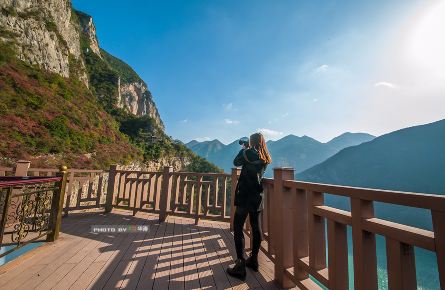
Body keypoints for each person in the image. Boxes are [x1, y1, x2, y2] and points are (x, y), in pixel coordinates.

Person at [226, 132, 272, 280]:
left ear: (251, 141)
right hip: (257, 197)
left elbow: (236, 162)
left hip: (244, 195)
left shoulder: (247, 152)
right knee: (255, 227)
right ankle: (254, 259)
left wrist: (244, 149)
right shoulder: (265, 156)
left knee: (238, 227)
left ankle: (240, 265)